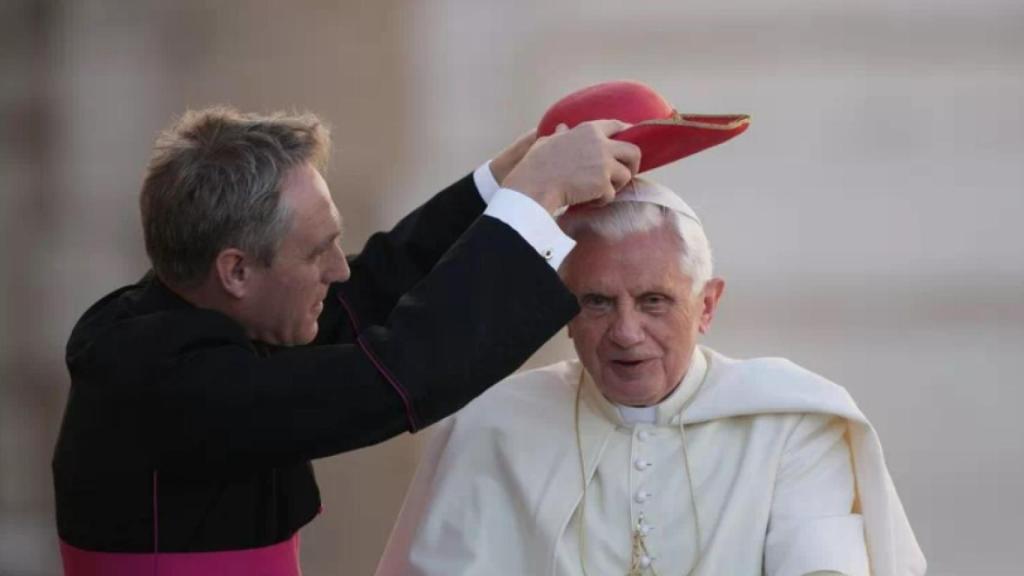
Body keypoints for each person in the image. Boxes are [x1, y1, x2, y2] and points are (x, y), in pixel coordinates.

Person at [52, 105, 642, 574]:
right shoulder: (162, 378)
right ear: (235, 271)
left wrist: (500, 185)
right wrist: (532, 203)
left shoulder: (195, 309)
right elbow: (396, 372)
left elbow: (367, 292)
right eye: (316, 251)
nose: (339, 270)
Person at [375, 84, 926, 576]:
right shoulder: (494, 429)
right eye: (595, 303)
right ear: (561, 313)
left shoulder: (791, 426)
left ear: (707, 306)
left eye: (654, 301)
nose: (626, 332)